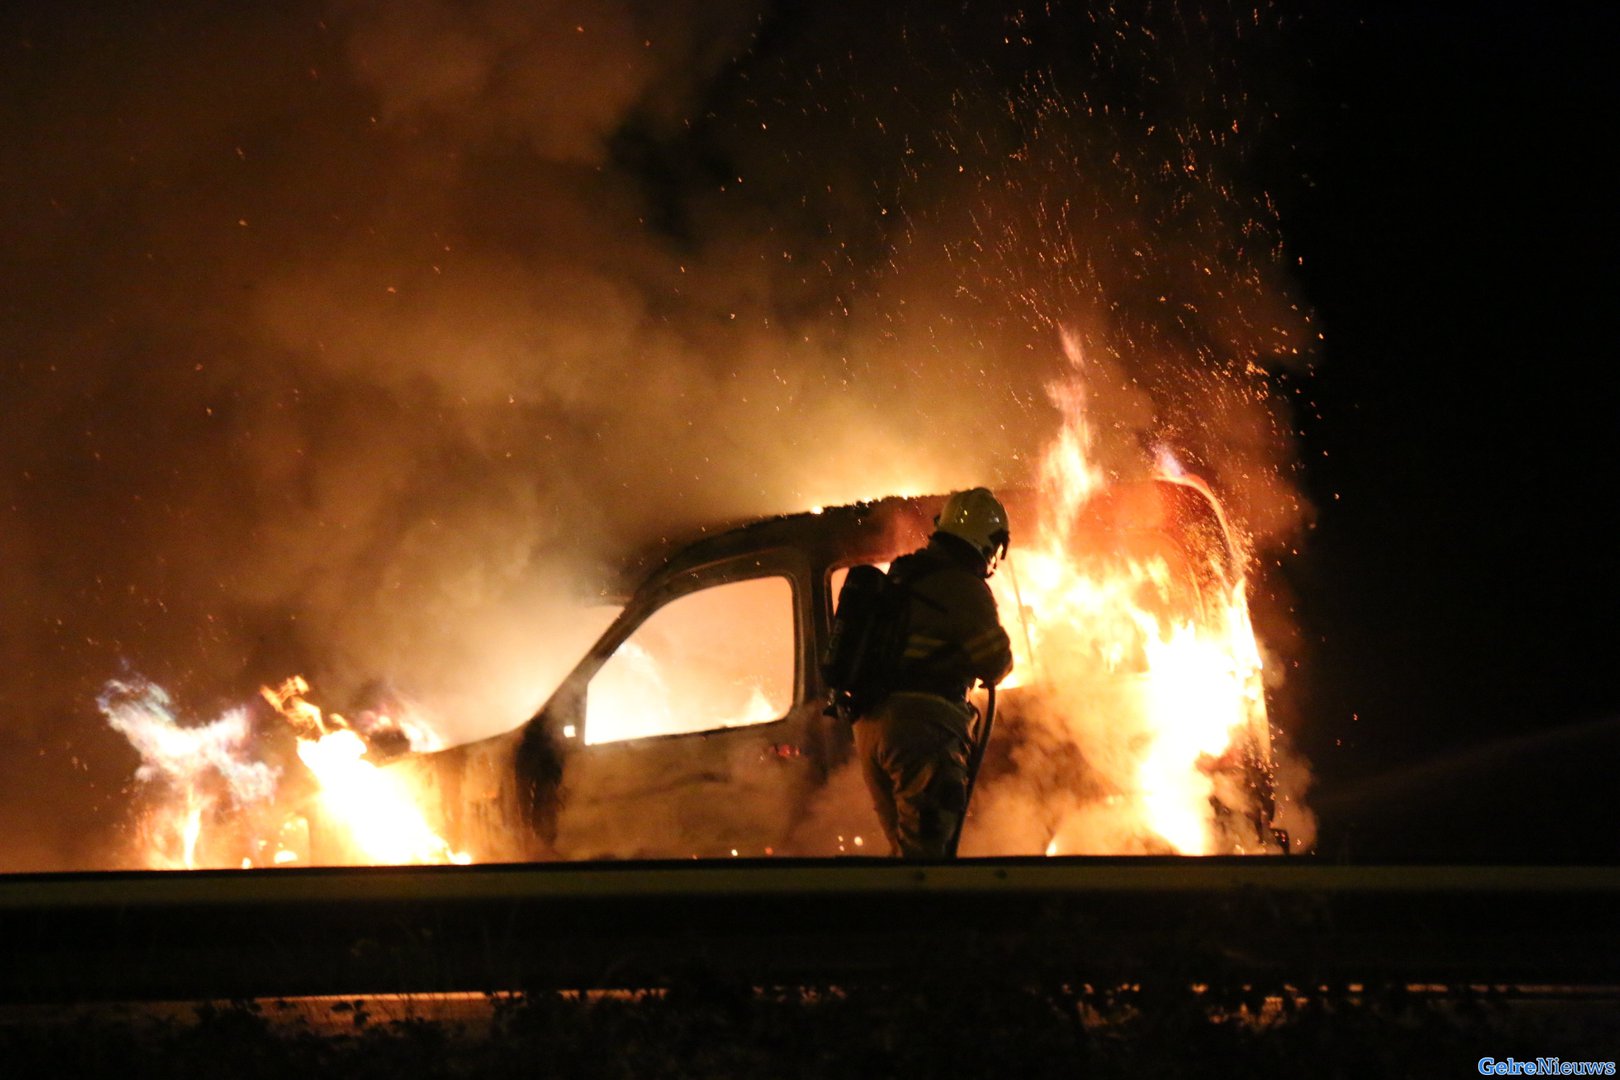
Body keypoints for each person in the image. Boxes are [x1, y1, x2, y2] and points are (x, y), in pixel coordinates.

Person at [853, 487, 1015, 858]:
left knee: (904, 852)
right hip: (921, 731)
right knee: (927, 861)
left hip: (871, 726)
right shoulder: (964, 587)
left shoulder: (906, 572)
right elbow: (996, 664)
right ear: (988, 542)